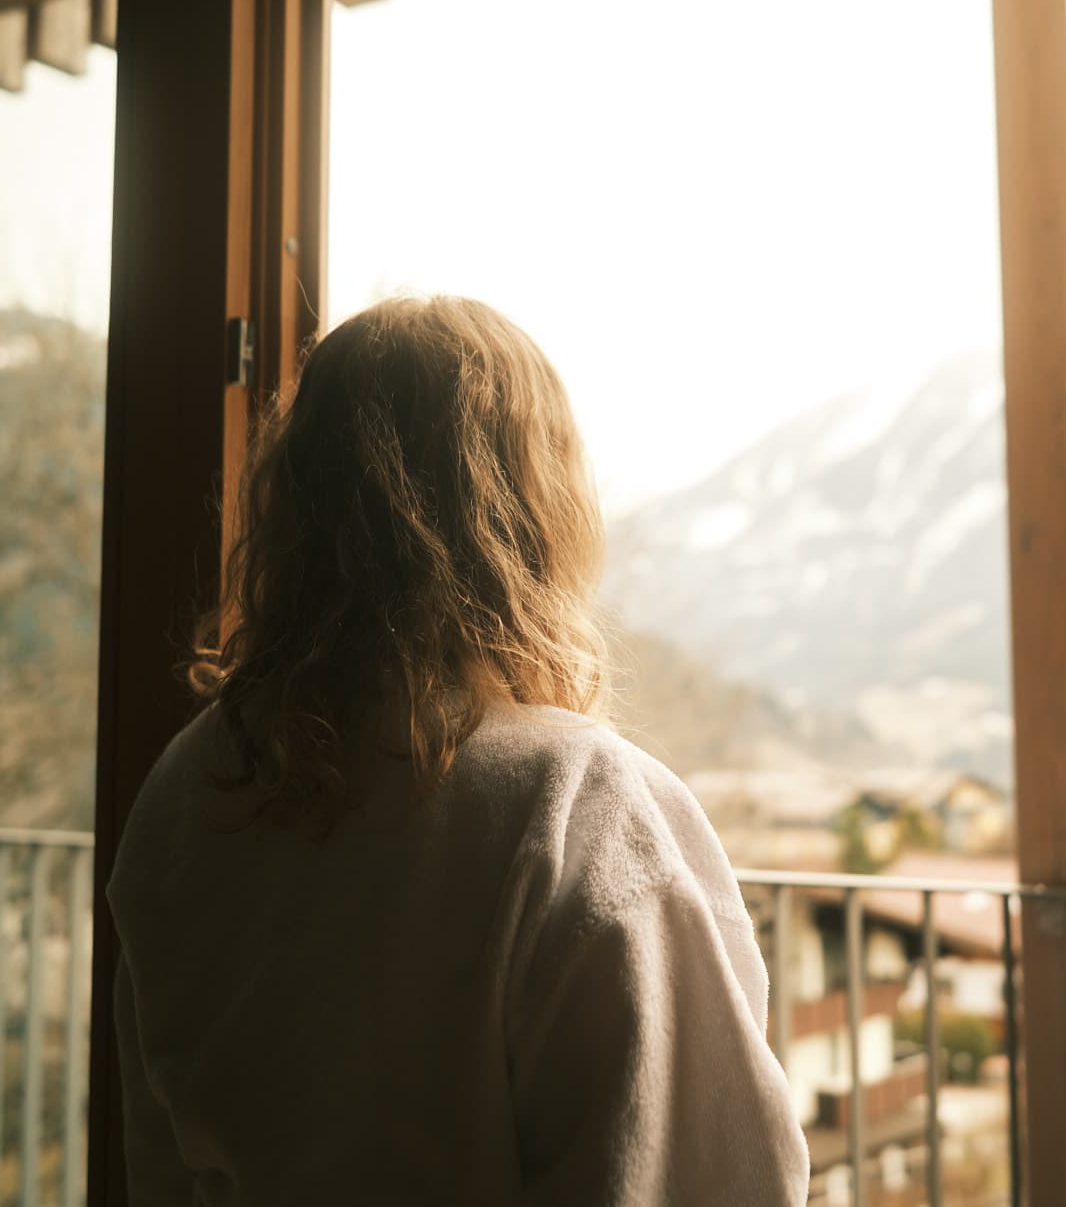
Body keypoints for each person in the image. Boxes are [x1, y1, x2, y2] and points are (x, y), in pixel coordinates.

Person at [108, 297, 811, 1204]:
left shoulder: (187, 792)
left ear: (295, 501)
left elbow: (158, 1167)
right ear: (532, 510)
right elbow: (715, 1177)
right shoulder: (576, 805)